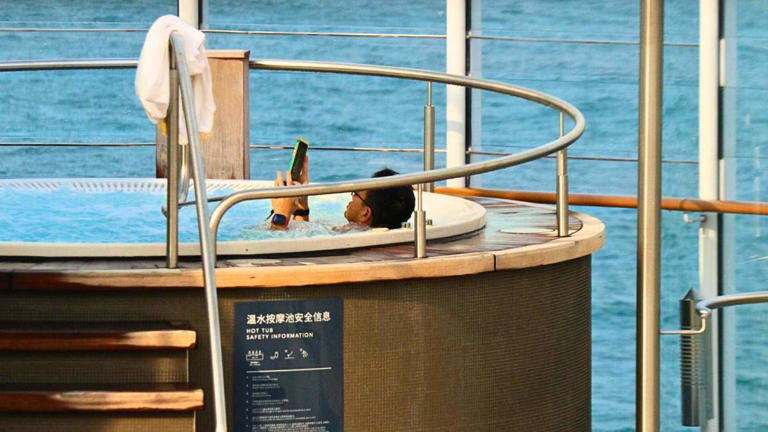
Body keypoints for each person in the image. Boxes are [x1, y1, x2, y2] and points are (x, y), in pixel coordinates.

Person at [269, 157, 415, 230]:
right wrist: (302, 208)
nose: (351, 197)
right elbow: (301, 239)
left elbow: (275, 250)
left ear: (365, 213)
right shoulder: (358, 236)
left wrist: (282, 213)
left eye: (355, 193)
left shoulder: (347, 238)